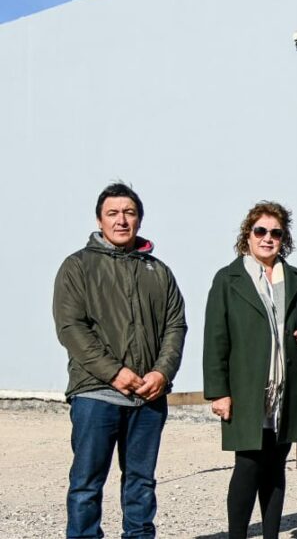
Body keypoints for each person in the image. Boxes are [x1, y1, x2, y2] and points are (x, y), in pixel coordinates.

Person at [53, 182, 187, 539]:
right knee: (86, 484)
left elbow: (175, 325)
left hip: (148, 397)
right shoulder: (77, 267)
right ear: (100, 220)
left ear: (139, 220)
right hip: (96, 394)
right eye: (113, 213)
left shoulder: (158, 271)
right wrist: (114, 373)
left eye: (129, 213)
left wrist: (162, 372)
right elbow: (71, 328)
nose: (122, 220)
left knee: (141, 483)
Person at [203, 201, 297, 539]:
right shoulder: (228, 279)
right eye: (261, 231)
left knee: (275, 468)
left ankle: (271, 535)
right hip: (247, 389)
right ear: (248, 235)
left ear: (284, 238)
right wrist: (219, 392)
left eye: (276, 233)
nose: (268, 238)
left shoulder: (295, 279)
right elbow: (215, 337)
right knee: (248, 466)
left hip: (287, 389)